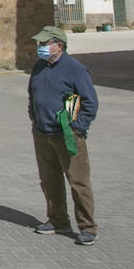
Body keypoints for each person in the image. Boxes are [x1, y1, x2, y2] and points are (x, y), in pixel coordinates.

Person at [28, 25, 99, 245]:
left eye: (44, 44)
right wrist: (34, 116)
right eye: (39, 43)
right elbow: (32, 94)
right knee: (49, 180)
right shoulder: (38, 67)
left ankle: (87, 227)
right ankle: (57, 219)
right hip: (42, 132)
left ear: (59, 45)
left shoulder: (75, 69)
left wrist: (77, 127)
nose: (40, 47)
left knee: (78, 181)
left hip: (67, 134)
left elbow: (90, 102)